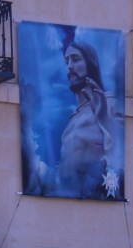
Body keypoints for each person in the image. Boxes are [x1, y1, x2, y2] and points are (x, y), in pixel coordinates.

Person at [28, 35, 123, 200]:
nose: (70, 67)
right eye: (67, 62)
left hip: (97, 201)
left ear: (90, 64)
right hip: (64, 198)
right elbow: (67, 167)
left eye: (76, 59)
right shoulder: (73, 119)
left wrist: (104, 119)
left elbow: (122, 148)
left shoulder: (109, 102)